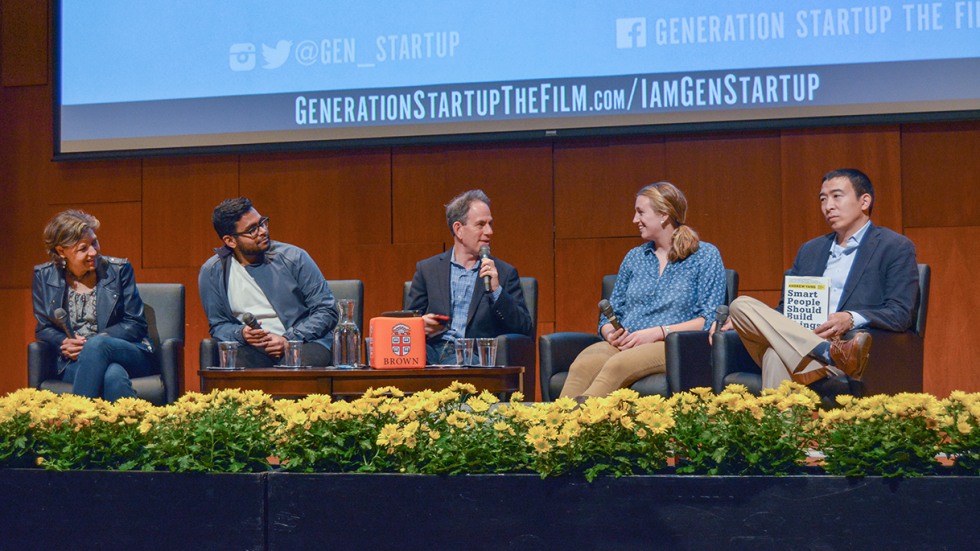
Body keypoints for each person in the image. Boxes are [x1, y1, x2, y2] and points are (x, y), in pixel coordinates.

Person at [715, 168, 919, 389]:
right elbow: (787, 309)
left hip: (852, 353)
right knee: (741, 307)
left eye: (837, 196)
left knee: (774, 355)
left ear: (864, 201)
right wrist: (750, 321)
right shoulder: (810, 250)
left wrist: (851, 318)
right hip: (808, 349)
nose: (828, 206)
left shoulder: (894, 247)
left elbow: (900, 313)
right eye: (823, 199)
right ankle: (828, 353)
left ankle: (830, 355)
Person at [559, 182, 726, 399]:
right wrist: (611, 332)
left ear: (664, 215)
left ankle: (576, 424)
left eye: (640, 212)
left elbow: (709, 320)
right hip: (627, 342)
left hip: (672, 346)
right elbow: (611, 313)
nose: (634, 220)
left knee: (617, 365)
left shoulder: (704, 255)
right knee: (583, 364)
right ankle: (554, 428)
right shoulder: (635, 257)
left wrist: (658, 332)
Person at [199, 197, 337, 367]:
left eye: (262, 223)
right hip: (253, 349)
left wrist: (288, 339)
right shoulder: (212, 272)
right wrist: (242, 334)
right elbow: (218, 325)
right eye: (252, 230)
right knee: (237, 368)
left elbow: (327, 310)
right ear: (230, 241)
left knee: (292, 367)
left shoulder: (294, 257)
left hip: (305, 342)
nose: (263, 231)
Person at [32, 210, 154, 401]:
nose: (94, 251)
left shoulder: (119, 270)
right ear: (61, 251)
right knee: (112, 376)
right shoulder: (44, 277)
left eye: (94, 242)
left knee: (97, 345)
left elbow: (135, 324)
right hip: (75, 362)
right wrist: (64, 342)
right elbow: (44, 328)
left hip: (128, 351)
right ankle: (133, 428)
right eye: (83, 248)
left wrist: (92, 343)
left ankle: (77, 421)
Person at [407, 189, 534, 364]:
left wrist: (497, 291)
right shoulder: (428, 270)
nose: (489, 231)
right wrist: (420, 324)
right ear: (458, 229)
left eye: (490, 224)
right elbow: (407, 321)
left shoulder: (504, 273)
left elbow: (524, 329)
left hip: (471, 356)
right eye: (481, 225)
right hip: (428, 353)